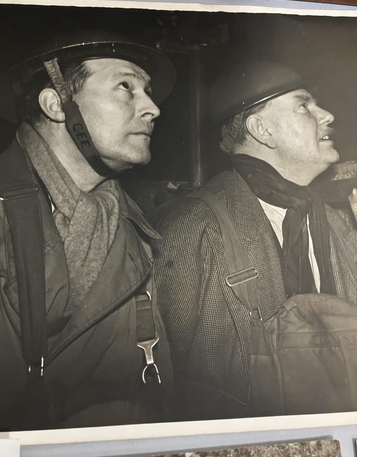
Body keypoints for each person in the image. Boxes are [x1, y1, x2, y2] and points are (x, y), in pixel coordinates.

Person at [0, 31, 177, 432]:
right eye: (126, 86)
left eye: (148, 91)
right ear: (56, 104)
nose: (153, 108)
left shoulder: (134, 230)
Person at [150, 60, 357, 422]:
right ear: (262, 129)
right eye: (304, 105)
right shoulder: (192, 228)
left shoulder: (343, 224)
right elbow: (173, 389)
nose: (326, 115)